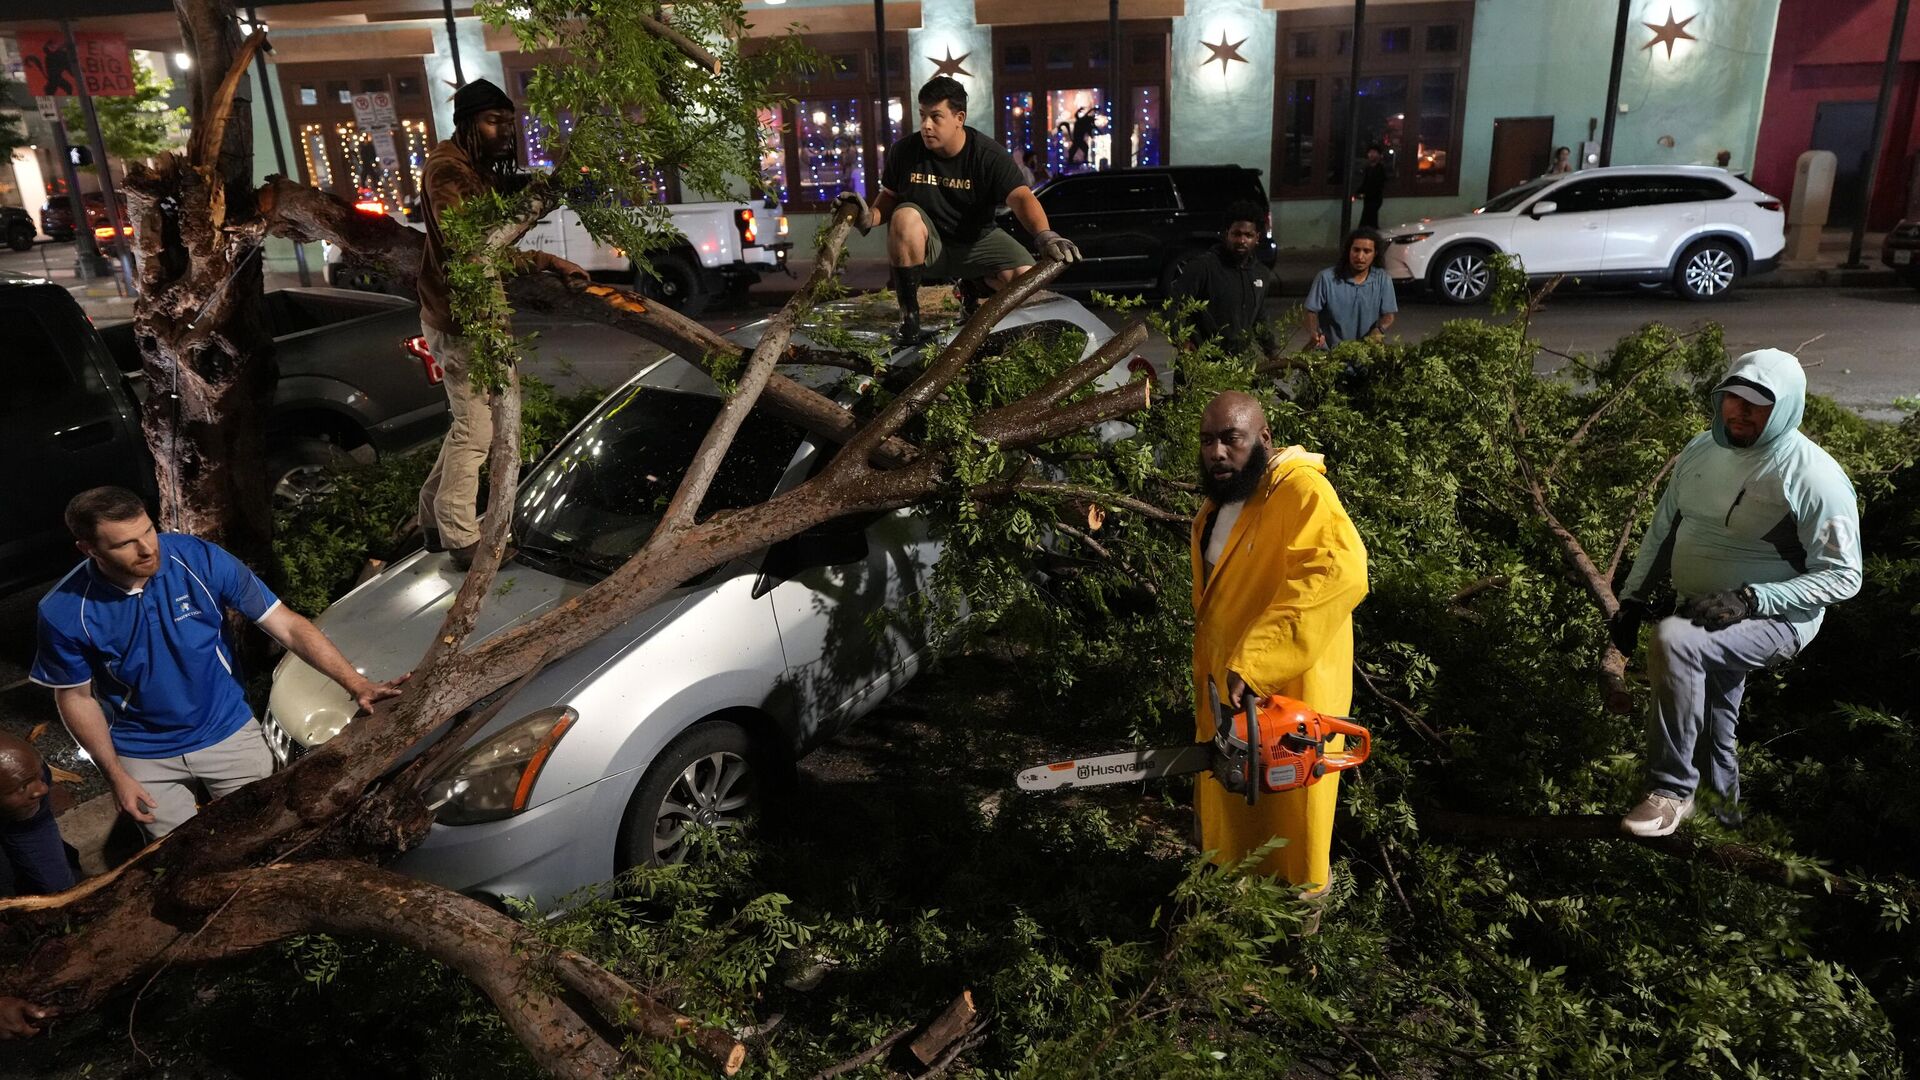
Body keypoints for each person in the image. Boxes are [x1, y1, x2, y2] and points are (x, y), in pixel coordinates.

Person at [30, 488, 407, 839]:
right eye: (125, 543)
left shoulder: (198, 558)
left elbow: (287, 625)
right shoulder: (64, 610)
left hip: (227, 730)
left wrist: (355, 683)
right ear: (87, 548)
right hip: (142, 752)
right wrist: (114, 775)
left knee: (258, 835)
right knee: (180, 856)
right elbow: (76, 698)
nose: (146, 549)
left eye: (148, 531)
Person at [1611, 350, 1862, 837]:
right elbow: (1664, 527)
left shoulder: (1813, 476)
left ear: (1786, 409)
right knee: (1711, 727)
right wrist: (1633, 599)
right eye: (1734, 398)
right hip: (1707, 612)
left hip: (1779, 619)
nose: (1741, 412)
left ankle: (1670, 792)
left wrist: (1751, 599)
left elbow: (1843, 577)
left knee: (1675, 642)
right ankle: (1722, 831)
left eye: (1759, 404)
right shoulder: (1700, 449)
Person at [1191, 392, 1368, 890]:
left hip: (1287, 700)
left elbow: (1337, 570)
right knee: (1235, 823)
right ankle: (1232, 920)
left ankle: (1295, 942)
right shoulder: (1220, 505)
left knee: (1292, 838)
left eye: (1232, 440)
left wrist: (1257, 660)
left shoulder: (1301, 491)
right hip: (1231, 694)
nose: (1218, 453)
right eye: (1208, 441)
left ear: (1264, 439)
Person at [416, 78, 590, 571]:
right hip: (460, 316)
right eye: (494, 122)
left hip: (466, 313)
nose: (504, 134)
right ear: (469, 123)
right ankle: (460, 539)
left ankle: (432, 518)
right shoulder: (448, 172)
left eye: (509, 124)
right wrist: (544, 261)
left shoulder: (471, 166)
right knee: (476, 430)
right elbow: (474, 249)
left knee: (467, 425)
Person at [834, 77, 1080, 344]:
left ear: (959, 117)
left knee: (1026, 281)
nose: (926, 125)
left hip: (977, 239)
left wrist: (1045, 235)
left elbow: (1021, 198)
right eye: (922, 115)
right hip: (930, 243)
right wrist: (869, 217)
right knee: (904, 215)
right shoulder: (904, 151)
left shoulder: (988, 154)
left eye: (936, 116)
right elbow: (890, 197)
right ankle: (909, 318)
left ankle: (974, 286)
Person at [1170, 199, 1278, 354]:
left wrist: (1272, 352)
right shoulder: (1203, 267)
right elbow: (1174, 306)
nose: (1242, 240)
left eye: (1248, 235)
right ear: (1226, 234)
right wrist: (1182, 340)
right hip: (1201, 363)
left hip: (1237, 366)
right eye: (1236, 234)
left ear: (1257, 238)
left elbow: (1258, 317)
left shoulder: (1261, 273)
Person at [0, 733, 76, 898]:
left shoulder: (31, 771)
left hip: (20, 821)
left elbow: (35, 833)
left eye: (38, 775)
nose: (43, 789)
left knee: (60, 887)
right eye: (24, 786)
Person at [1303, 229, 1397, 350]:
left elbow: (1389, 315)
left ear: (1375, 253)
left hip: (1365, 354)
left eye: (1367, 251)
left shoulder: (1383, 279)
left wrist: (1379, 329)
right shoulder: (1326, 278)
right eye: (1356, 250)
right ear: (1349, 251)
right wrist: (1314, 333)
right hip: (1330, 353)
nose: (1360, 256)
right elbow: (1310, 310)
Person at [1350, 145, 1387, 229]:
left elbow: (1378, 185)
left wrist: (1364, 194)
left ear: (1379, 155)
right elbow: (1365, 183)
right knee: (1370, 221)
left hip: (1375, 199)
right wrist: (1357, 193)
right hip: (1368, 199)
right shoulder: (1368, 168)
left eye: (1374, 152)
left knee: (1368, 221)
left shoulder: (1381, 169)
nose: (1371, 154)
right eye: (1370, 152)